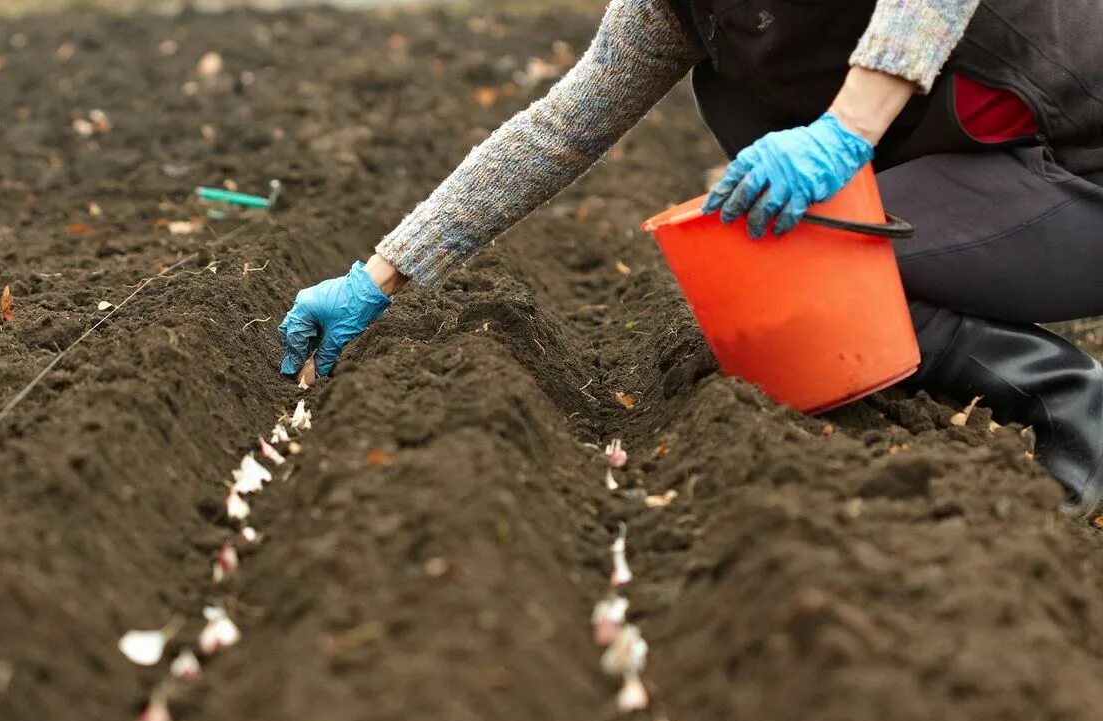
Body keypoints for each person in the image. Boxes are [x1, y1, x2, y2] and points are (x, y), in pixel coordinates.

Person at [278, 0, 1103, 514]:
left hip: (1076, 163)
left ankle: (1077, 408)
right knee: (767, 283)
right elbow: (560, 128)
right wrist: (380, 274)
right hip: (985, 174)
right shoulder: (675, 8)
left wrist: (844, 131)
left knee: (804, 267)